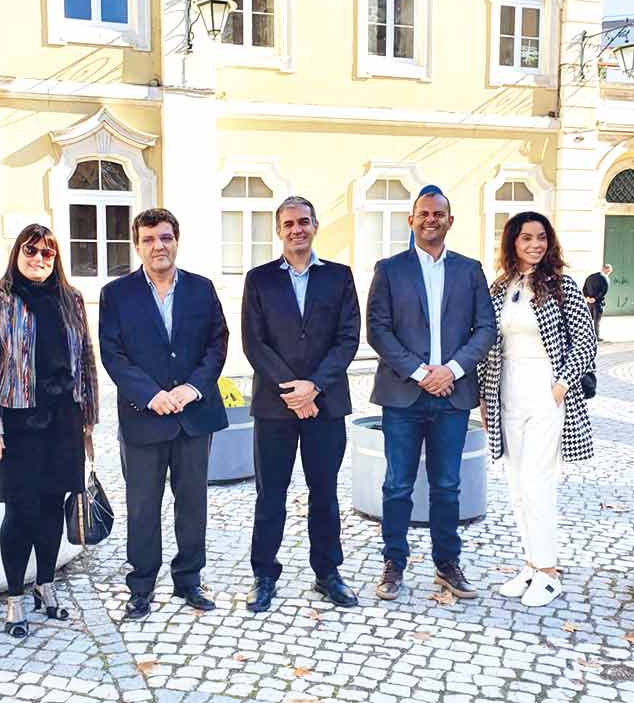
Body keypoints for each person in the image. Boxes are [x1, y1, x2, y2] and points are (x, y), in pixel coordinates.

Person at [366, 185, 496, 602]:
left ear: (449, 221)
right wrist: (422, 372)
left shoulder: (470, 270)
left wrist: (452, 370)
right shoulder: (389, 269)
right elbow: (379, 330)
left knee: (447, 485)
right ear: (412, 220)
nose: (430, 219)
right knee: (397, 485)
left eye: (439, 214)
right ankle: (394, 564)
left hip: (453, 395)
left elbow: (486, 329)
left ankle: (447, 564)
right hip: (403, 394)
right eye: (423, 213)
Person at [99, 208, 228, 620]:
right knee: (142, 505)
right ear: (137, 245)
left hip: (193, 415)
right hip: (144, 415)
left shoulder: (202, 289)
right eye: (150, 239)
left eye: (166, 237)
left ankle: (189, 578)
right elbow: (112, 353)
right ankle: (141, 584)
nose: (159, 246)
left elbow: (217, 344)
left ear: (177, 240)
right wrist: (151, 394)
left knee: (193, 502)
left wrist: (192, 388)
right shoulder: (116, 294)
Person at [0, 223, 98, 637]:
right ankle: (13, 597)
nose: (39, 259)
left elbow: (86, 358)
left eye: (47, 253)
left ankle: (46, 584)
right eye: (31, 252)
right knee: (20, 511)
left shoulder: (71, 299)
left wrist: (89, 421)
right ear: (17, 254)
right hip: (18, 421)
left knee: (51, 507)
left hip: (64, 418)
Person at [242, 195, 361, 613]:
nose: (297, 229)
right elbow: (254, 343)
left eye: (304, 222)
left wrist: (314, 386)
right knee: (270, 493)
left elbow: (348, 339)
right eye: (289, 223)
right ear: (279, 230)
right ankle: (263, 574)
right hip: (275, 407)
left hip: (326, 405)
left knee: (324, 492)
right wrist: (294, 391)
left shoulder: (339, 277)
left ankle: (327, 573)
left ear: (315, 226)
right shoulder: (259, 280)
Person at [479, 211, 595, 606]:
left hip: (546, 390)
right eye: (526, 237)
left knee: (537, 482)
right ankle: (531, 563)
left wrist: (562, 384)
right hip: (506, 389)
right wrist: (484, 395)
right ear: (513, 242)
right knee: (515, 484)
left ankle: (548, 570)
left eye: (541, 237)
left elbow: (585, 341)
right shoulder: (500, 288)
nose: (535, 244)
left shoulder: (562, 285)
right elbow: (488, 345)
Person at [582, 264, 613, 341]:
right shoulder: (605, 278)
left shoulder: (590, 277)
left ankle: (586, 335)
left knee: (588, 320)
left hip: (589, 303)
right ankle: (596, 336)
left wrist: (587, 297)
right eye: (609, 271)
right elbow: (604, 291)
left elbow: (584, 288)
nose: (609, 273)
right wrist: (595, 299)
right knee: (597, 321)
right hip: (598, 303)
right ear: (607, 270)